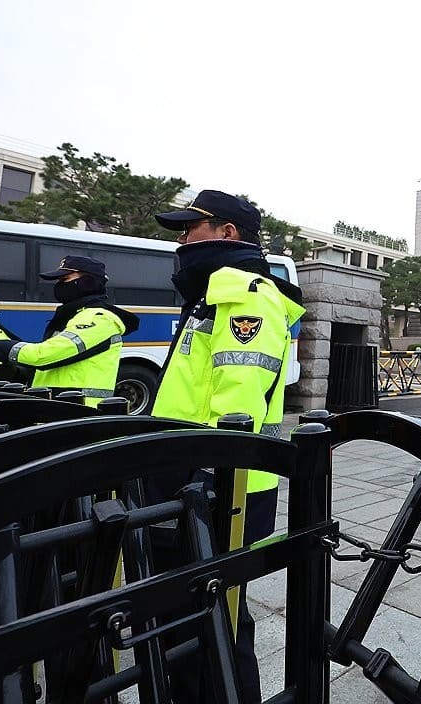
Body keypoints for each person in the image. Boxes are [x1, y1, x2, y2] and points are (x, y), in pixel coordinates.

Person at [150, 190, 305, 703]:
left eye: (189, 229)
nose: (181, 239)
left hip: (218, 485)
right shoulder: (213, 293)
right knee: (191, 619)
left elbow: (236, 403)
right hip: (195, 476)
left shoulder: (244, 293)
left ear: (226, 232)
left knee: (214, 622)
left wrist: (205, 481)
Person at [0, 256, 139, 406]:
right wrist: (17, 374)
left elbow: (45, 356)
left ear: (88, 282)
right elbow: (59, 367)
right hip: (60, 407)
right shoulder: (72, 317)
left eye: (64, 280)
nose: (59, 286)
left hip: (81, 412)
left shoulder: (99, 318)